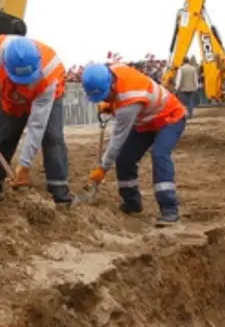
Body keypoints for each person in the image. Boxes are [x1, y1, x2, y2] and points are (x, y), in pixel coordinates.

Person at [0, 34, 73, 204]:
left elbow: (36, 126)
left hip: (47, 96)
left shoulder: (48, 74)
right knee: (2, 137)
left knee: (52, 138)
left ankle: (59, 193)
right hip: (12, 96)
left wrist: (24, 166)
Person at [80, 61, 187, 225]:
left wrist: (103, 168)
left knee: (159, 154)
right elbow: (118, 97)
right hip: (146, 122)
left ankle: (169, 210)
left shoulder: (130, 101)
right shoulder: (113, 72)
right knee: (124, 158)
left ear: (112, 85)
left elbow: (117, 140)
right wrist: (109, 103)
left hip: (169, 117)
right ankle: (132, 203)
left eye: (105, 94)